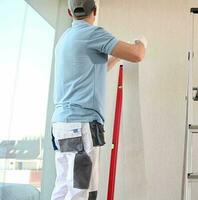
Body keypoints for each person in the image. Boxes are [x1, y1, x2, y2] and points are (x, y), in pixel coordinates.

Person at [50, 0, 147, 199]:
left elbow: (96, 70)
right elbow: (137, 55)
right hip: (80, 128)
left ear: (70, 13)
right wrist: (141, 42)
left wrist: (117, 57)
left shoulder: (65, 39)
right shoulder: (92, 33)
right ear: (94, 11)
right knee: (80, 191)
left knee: (64, 188)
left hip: (62, 127)